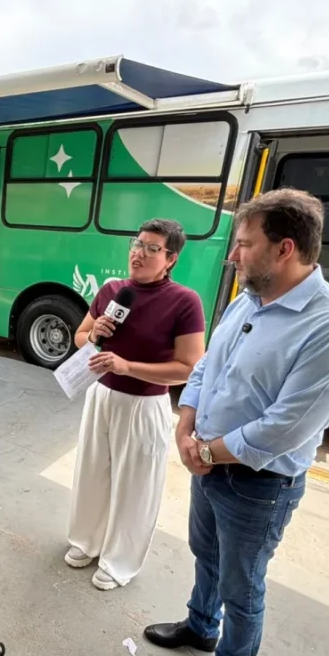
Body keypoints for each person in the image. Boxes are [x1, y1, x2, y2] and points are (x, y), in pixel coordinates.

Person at [143, 188, 329, 656]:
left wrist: (204, 450)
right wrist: (185, 428)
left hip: (260, 483)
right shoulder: (249, 298)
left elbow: (284, 428)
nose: (233, 255)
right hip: (208, 462)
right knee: (206, 554)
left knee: (242, 585)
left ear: (284, 248)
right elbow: (205, 370)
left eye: (244, 244)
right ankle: (200, 627)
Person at [64, 219, 206, 591]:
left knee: (135, 485)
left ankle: (119, 560)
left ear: (170, 258)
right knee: (92, 471)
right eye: (136, 243)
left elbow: (189, 368)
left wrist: (129, 367)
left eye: (151, 248)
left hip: (144, 405)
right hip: (100, 396)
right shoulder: (112, 290)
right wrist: (94, 334)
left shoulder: (184, 301)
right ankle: (86, 540)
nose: (138, 253)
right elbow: (81, 337)